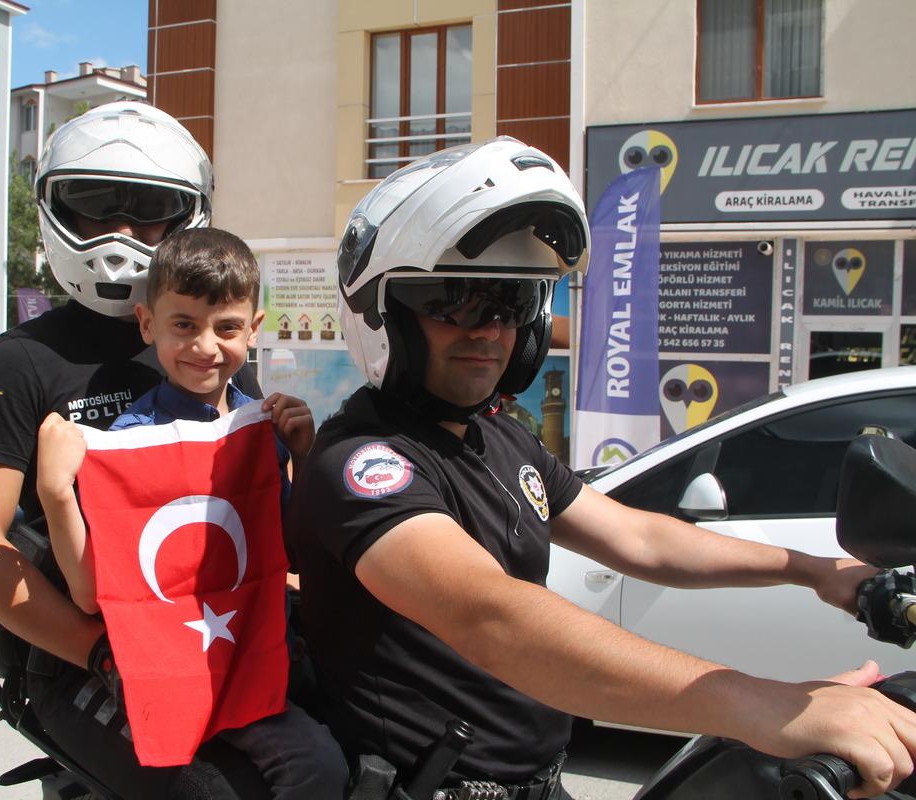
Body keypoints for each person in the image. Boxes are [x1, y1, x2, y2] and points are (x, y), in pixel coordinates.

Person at [285, 138, 916, 800]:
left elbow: (643, 539)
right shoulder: (360, 462)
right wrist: (766, 707)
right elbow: (489, 616)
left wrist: (811, 570)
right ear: (384, 315)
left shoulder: (500, 441)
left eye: (511, 305)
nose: (490, 331)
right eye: (457, 303)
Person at [0, 102, 270, 798]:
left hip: (215, 637)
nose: (120, 233)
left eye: (149, 212)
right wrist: (97, 652)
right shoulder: (24, 362)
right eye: (93, 208)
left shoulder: (210, 348)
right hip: (85, 659)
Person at [35, 227, 350, 799]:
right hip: (175, 675)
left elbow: (293, 548)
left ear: (253, 331)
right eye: (184, 325)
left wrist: (304, 458)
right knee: (318, 768)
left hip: (258, 658)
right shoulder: (128, 443)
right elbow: (91, 594)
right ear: (147, 324)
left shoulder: (265, 430)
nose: (205, 346)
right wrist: (57, 492)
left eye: (226, 327)